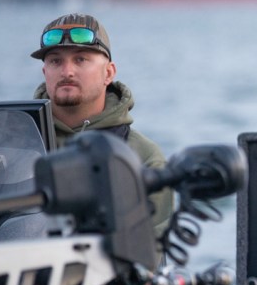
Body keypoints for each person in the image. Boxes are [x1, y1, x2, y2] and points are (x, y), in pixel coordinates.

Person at [31, 13, 173, 239]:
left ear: (108, 73)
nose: (67, 71)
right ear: (45, 72)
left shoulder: (143, 157)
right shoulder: (15, 146)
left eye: (80, 59)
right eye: (55, 61)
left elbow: (152, 251)